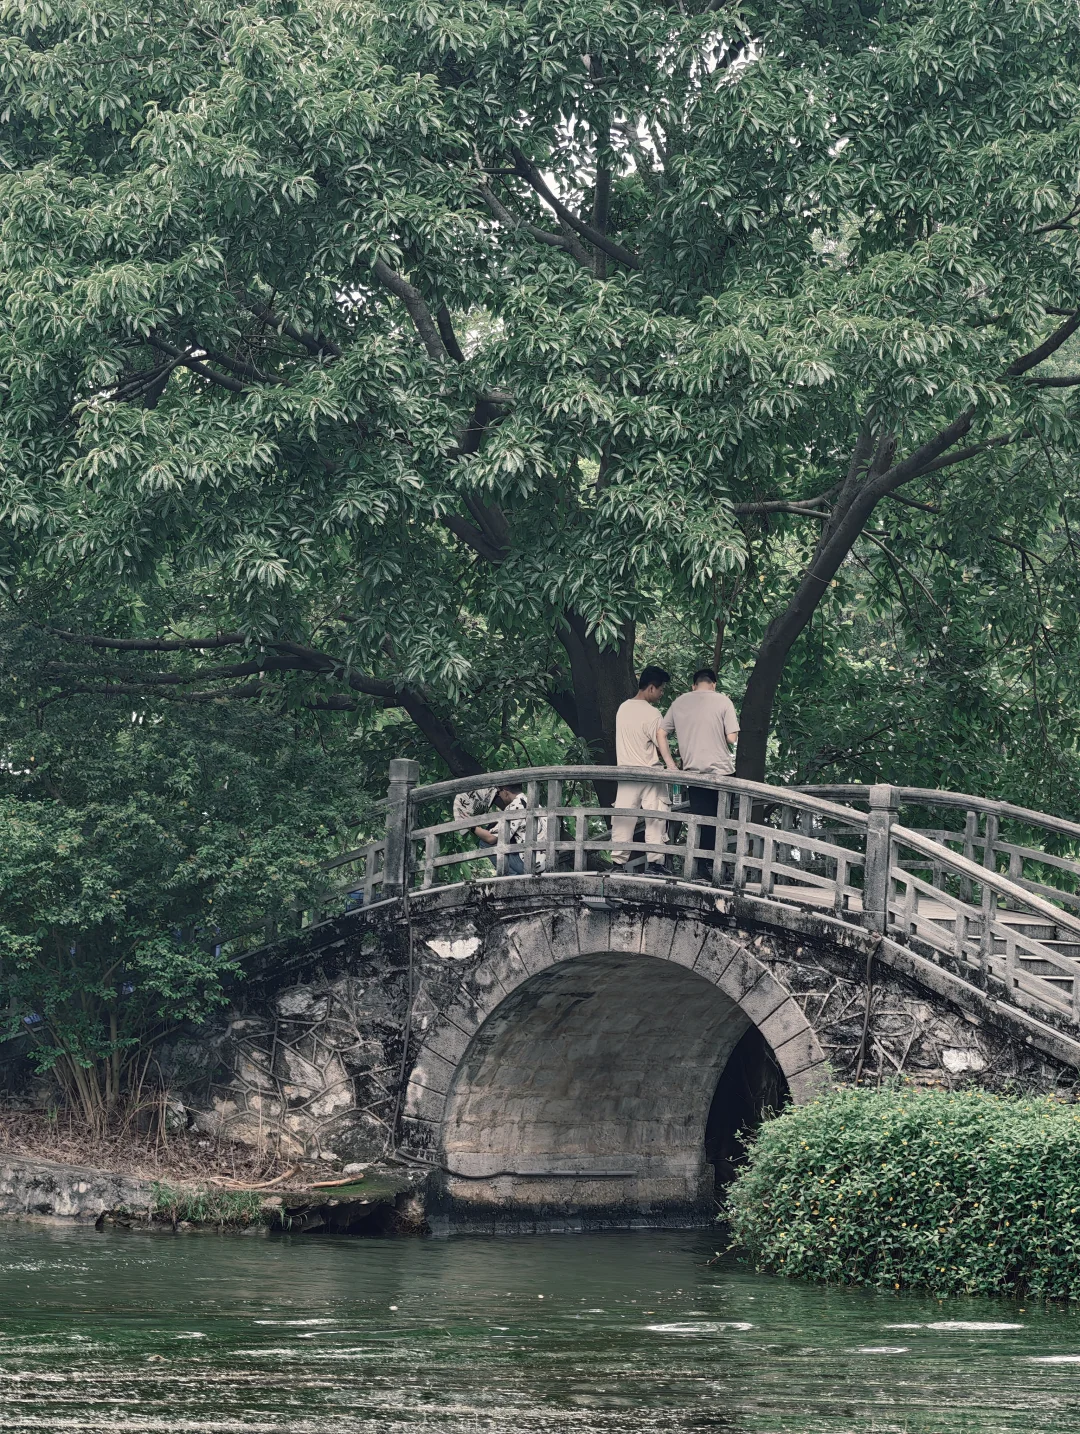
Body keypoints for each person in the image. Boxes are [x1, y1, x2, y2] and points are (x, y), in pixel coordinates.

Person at [661, 667, 740, 878]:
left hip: (693, 772)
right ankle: (718, 868)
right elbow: (732, 737)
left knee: (702, 821)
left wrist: (670, 763)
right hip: (722, 772)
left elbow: (661, 732)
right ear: (714, 684)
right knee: (722, 821)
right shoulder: (723, 701)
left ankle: (702, 866)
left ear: (693, 685)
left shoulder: (679, 702)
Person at [611, 665, 679, 875]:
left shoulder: (623, 708)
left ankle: (618, 864)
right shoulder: (652, 713)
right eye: (661, 690)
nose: (661, 694)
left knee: (623, 817)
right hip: (650, 773)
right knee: (656, 817)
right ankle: (656, 864)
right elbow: (660, 738)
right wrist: (671, 765)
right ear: (651, 688)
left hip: (626, 772)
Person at [453, 782, 549, 875]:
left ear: (506, 792)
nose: (499, 796)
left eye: (499, 793)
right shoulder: (533, 803)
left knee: (485, 842)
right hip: (545, 861)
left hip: (531, 864)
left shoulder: (515, 806)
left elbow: (491, 839)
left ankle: (512, 877)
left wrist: (471, 826)